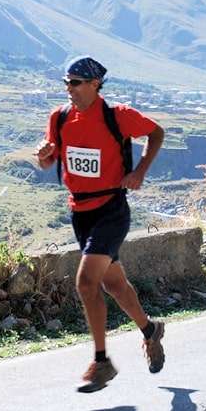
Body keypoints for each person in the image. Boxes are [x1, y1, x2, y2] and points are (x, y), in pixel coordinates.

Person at [34, 56, 166, 393]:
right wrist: (44, 156)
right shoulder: (60, 117)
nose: (69, 89)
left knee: (86, 282)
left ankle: (102, 361)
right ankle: (150, 331)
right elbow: (50, 164)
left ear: (95, 84)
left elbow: (156, 133)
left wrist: (139, 172)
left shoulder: (117, 116)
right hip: (81, 213)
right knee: (115, 286)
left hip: (111, 209)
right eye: (67, 82)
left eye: (76, 82)